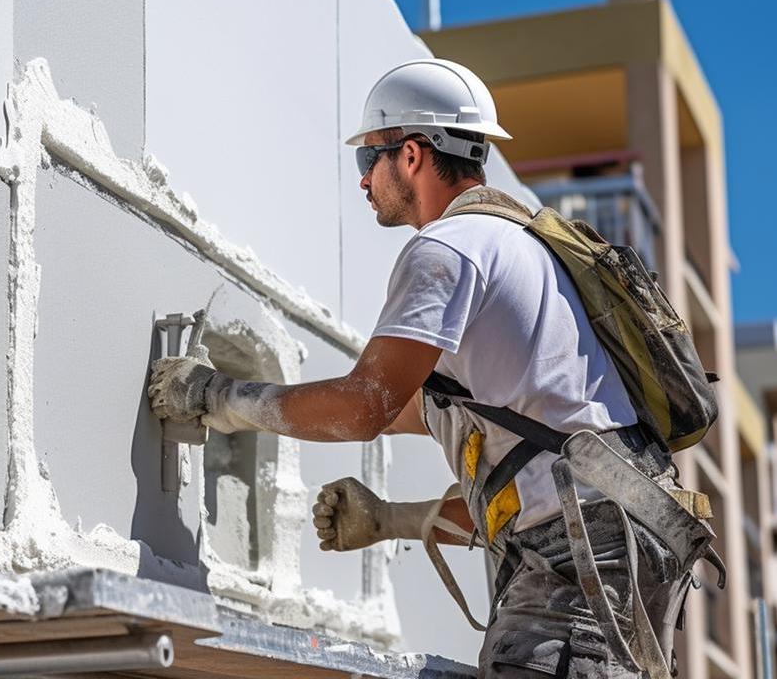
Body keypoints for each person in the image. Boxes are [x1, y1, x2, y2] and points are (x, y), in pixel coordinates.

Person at [149, 58, 707, 678]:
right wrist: (393, 519)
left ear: (411, 155)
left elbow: (365, 407)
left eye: (369, 161)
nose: (363, 183)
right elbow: (523, 474)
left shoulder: (448, 247)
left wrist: (217, 398)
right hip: (623, 544)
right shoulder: (518, 249)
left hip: (583, 556)